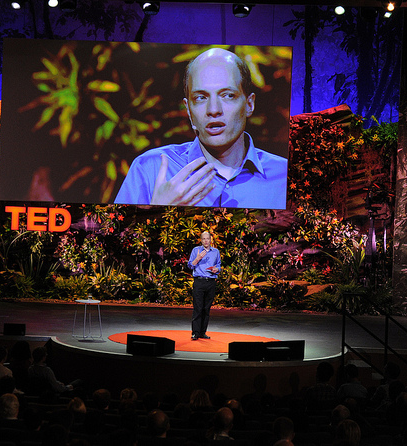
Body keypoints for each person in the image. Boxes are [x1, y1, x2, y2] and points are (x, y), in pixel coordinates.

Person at [114, 47, 287, 209]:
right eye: (200, 98)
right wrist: (158, 210)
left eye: (228, 95)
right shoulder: (149, 168)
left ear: (249, 104)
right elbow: (111, 231)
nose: (213, 110)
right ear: (188, 109)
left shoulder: (285, 176)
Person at [188, 231, 221, 340]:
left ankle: (203, 332)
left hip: (211, 282)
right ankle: (195, 333)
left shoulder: (216, 252)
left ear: (211, 240)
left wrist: (216, 269)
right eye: (204, 239)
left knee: (206, 309)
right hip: (199, 281)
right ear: (201, 240)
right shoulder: (196, 250)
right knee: (198, 308)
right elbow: (190, 265)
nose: (206, 241)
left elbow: (219, 265)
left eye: (208, 238)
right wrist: (197, 259)